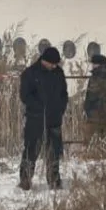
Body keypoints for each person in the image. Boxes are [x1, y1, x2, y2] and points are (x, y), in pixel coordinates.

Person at [19, 46, 69, 190]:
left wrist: (61, 108)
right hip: (35, 120)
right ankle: (25, 181)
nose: (54, 66)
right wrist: (40, 108)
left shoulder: (59, 73)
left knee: (54, 152)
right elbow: (25, 96)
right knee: (31, 151)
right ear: (44, 61)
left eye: (56, 64)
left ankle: (54, 181)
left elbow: (63, 94)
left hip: (54, 120)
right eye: (52, 63)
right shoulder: (30, 73)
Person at [83, 54, 106, 139]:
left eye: (93, 63)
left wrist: (86, 107)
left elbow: (92, 95)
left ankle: (93, 152)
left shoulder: (96, 76)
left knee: (90, 138)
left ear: (97, 64)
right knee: (105, 137)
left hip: (94, 113)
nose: (92, 66)